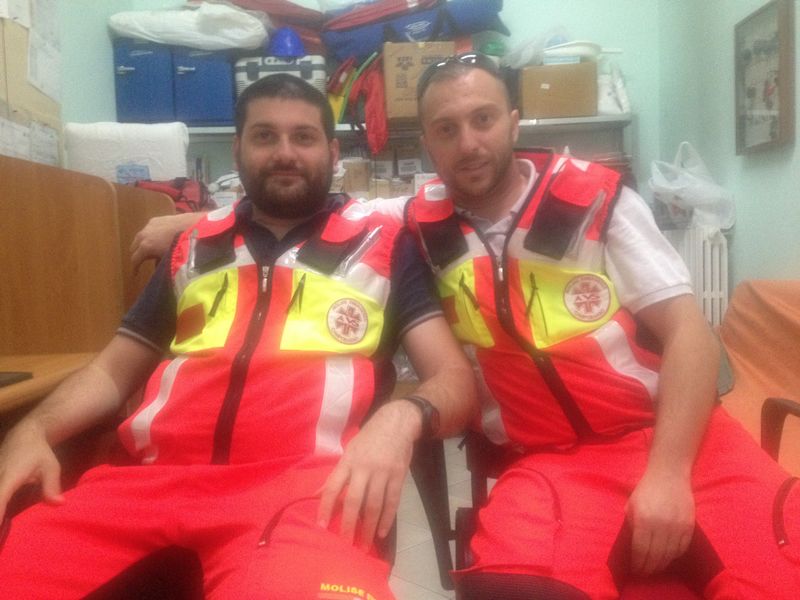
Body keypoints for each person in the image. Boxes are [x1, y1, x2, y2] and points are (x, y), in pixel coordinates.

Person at [0, 74, 477, 599]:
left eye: (303, 137)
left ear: (332, 151)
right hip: (145, 487)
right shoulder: (192, 246)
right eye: (265, 136)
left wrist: (398, 418)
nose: (285, 153)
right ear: (238, 150)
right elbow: (112, 371)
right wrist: (34, 428)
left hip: (303, 493)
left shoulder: (383, 244)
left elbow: (454, 378)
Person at [405, 53, 800, 598]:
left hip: (678, 439)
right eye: (446, 129)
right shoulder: (416, 228)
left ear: (514, 122)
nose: (468, 143)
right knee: (505, 591)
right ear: (427, 142)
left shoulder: (596, 200)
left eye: (483, 119)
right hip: (552, 463)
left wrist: (667, 474)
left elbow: (690, 332)